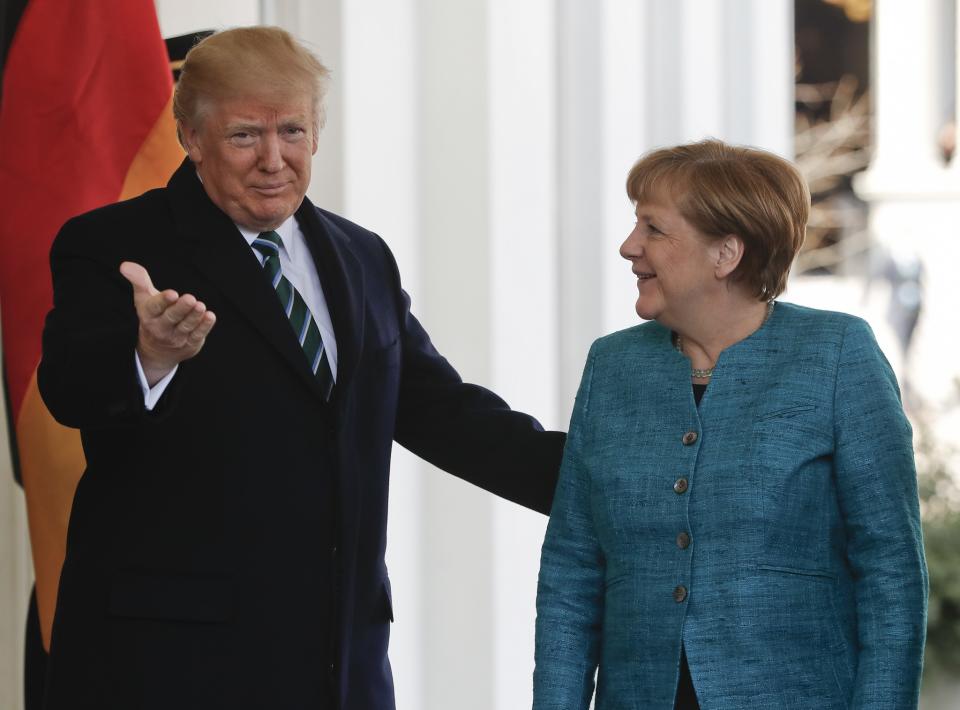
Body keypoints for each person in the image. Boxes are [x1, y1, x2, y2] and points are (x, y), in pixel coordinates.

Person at [38, 26, 564, 710]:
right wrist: (150, 355)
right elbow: (69, 390)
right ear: (190, 137)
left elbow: (442, 412)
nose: (273, 159)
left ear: (317, 132)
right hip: (172, 663)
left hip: (338, 661)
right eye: (244, 135)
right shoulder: (112, 244)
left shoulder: (361, 255)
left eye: (291, 130)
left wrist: (607, 483)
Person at [533, 139, 928, 709]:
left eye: (653, 229)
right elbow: (572, 569)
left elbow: (890, 571)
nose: (628, 247)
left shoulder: (838, 354)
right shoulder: (612, 366)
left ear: (726, 254)